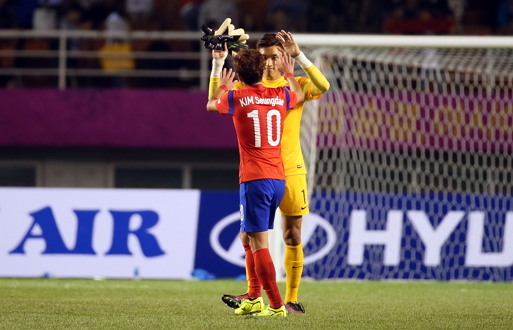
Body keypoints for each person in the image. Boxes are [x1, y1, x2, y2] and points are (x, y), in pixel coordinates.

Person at [208, 30, 330, 314]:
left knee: (292, 235)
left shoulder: (294, 83)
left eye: (275, 57)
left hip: (290, 168)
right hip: (268, 171)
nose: (269, 63)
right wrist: (224, 58)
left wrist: (299, 56)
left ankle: (291, 299)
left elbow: (323, 85)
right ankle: (254, 295)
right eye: (264, 58)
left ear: (284, 56)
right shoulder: (261, 88)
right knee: (247, 237)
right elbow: (216, 99)